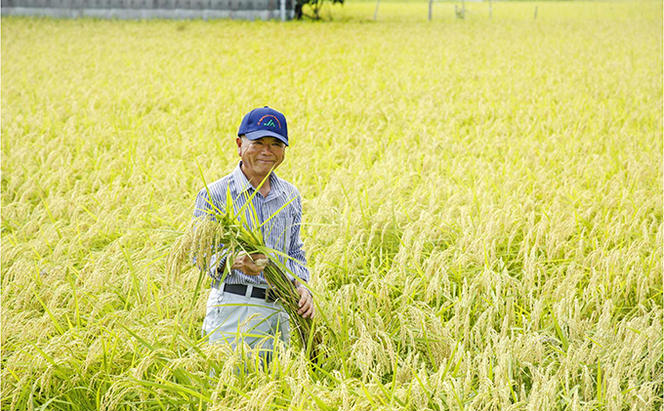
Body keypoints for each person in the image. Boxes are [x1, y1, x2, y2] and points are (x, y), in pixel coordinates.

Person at [193, 106, 314, 365]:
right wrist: (233, 261)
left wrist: (302, 287)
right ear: (239, 144)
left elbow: (294, 251)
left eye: (275, 144)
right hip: (234, 308)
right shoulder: (214, 194)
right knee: (229, 392)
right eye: (258, 142)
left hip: (279, 311)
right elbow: (198, 253)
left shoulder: (290, 195)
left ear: (284, 150)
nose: (266, 151)